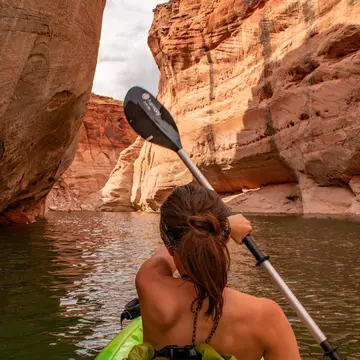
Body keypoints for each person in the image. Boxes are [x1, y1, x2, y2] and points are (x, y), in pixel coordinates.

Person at [135, 184, 301, 360]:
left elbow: (170, 250)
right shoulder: (266, 316)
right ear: (224, 237)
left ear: (169, 246)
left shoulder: (149, 284)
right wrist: (222, 228)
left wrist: (224, 226)